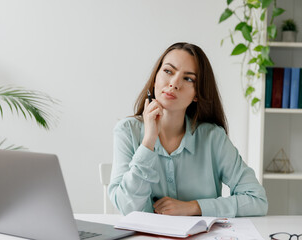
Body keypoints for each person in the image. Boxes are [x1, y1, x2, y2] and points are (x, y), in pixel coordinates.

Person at [108, 42, 268, 217]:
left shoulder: (213, 137)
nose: (174, 83)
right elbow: (127, 207)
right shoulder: (127, 131)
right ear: (155, 78)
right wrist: (148, 142)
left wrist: (193, 207)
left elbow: (257, 201)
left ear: (197, 94)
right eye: (168, 71)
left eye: (188, 78)